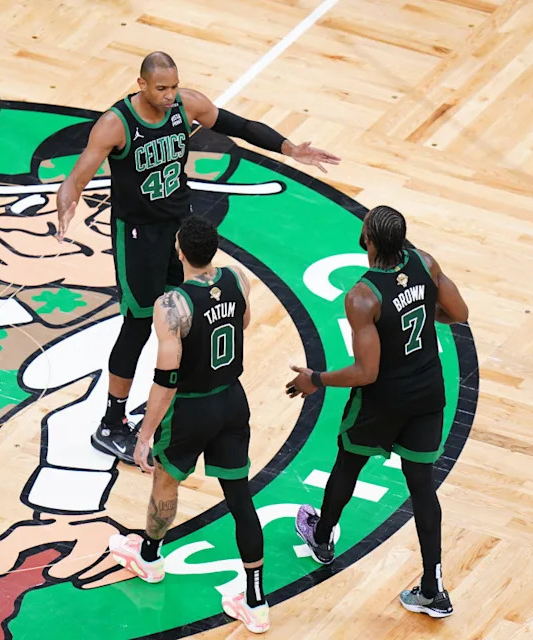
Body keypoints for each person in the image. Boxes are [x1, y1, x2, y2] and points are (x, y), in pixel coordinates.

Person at [56, 50, 340, 465]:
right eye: (161, 88)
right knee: (137, 327)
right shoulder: (116, 124)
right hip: (138, 237)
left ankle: (171, 407)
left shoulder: (187, 104)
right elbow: (79, 173)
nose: (171, 95)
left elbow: (238, 127)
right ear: (141, 85)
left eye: (173, 86)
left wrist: (289, 148)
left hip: (180, 230)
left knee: (190, 316)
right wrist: (68, 199)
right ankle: (111, 425)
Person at [286, 205, 469, 619]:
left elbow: (366, 373)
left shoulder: (362, 296)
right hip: (427, 394)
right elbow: (459, 313)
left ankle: (322, 537)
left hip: (384, 400)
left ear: (366, 239)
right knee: (422, 487)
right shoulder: (425, 262)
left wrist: (315, 378)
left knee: (348, 462)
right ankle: (433, 588)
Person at [107, 216, 270, 634]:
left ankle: (149, 557)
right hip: (232, 400)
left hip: (192, 408)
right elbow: (244, 323)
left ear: (178, 251)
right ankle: (255, 601)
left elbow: (166, 379)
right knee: (239, 497)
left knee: (165, 481)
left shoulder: (171, 306)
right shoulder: (237, 279)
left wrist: (144, 435)